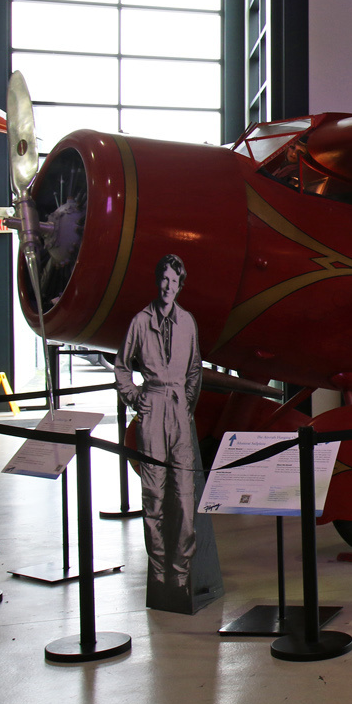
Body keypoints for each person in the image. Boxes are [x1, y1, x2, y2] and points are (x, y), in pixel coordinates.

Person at [114, 254, 221, 613]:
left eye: (174, 282)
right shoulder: (140, 323)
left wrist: (187, 406)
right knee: (154, 495)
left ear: (179, 285)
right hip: (153, 406)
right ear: (158, 280)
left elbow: (194, 370)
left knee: (186, 495)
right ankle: (160, 572)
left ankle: (181, 571)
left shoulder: (187, 322)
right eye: (163, 279)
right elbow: (122, 367)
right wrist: (138, 400)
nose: (167, 287)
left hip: (179, 410)